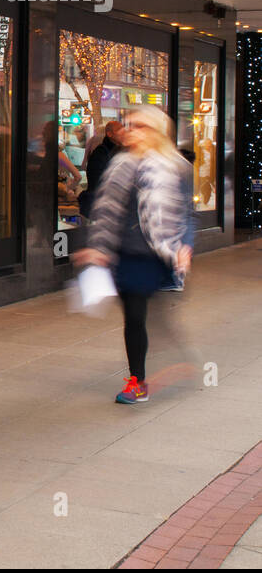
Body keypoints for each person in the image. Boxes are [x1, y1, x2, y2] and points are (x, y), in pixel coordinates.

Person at [73, 105, 191, 405]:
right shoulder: (119, 165)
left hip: (155, 253)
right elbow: (106, 210)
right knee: (136, 318)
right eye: (129, 125)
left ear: (155, 131)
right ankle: (138, 378)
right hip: (126, 253)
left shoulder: (175, 166)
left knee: (142, 316)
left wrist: (184, 245)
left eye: (139, 126)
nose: (131, 131)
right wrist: (97, 247)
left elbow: (187, 214)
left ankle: (144, 375)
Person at [78, 119, 123, 219]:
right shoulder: (101, 153)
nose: (123, 133)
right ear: (109, 134)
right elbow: (97, 181)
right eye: (119, 130)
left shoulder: (119, 151)